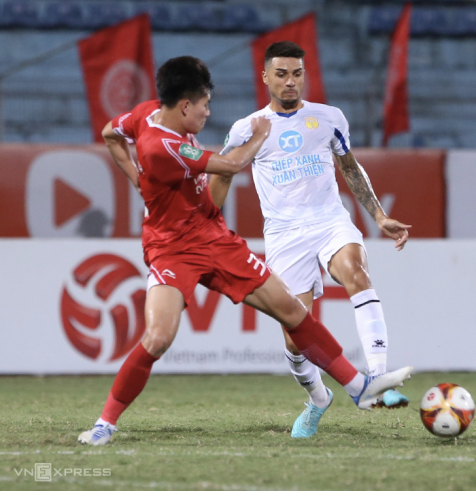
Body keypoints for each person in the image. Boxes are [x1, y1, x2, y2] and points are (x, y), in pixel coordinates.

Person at [77, 56, 412, 446]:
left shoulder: (144, 113)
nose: (208, 112)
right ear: (185, 105)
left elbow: (109, 134)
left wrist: (137, 181)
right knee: (158, 337)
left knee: (291, 310)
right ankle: (105, 423)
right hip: (172, 249)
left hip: (213, 237)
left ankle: (359, 387)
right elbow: (230, 165)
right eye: (205, 104)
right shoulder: (159, 146)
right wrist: (258, 134)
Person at [210, 41, 412, 439]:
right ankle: (318, 399)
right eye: (282, 74)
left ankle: (378, 376)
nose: (290, 82)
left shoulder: (329, 117)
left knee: (356, 273)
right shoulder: (247, 128)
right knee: (295, 334)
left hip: (329, 220)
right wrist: (208, 223)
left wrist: (379, 215)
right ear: (266, 76)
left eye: (297, 74)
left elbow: (349, 167)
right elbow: (222, 174)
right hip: (284, 235)